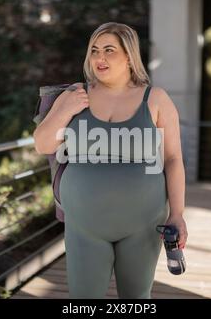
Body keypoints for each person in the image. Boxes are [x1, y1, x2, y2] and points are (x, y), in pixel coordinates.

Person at [34, 22, 187, 298]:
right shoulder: (75, 94)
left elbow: (174, 159)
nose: (99, 58)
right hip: (84, 226)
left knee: (136, 300)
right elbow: (42, 144)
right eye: (94, 50)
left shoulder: (156, 100)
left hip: (143, 224)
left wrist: (177, 214)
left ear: (129, 56)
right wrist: (65, 110)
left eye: (108, 50)